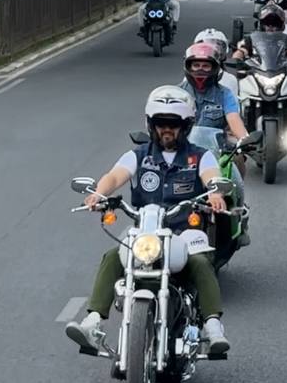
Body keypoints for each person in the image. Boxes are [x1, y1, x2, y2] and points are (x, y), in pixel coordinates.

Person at [65, 87, 230, 356]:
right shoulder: (138, 156)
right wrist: (98, 194)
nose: (167, 129)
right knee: (112, 257)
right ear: (151, 125)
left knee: (200, 263)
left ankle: (213, 328)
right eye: (160, 123)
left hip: (184, 233)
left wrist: (215, 193)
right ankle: (93, 322)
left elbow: (211, 176)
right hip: (146, 233)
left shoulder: (200, 156)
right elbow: (114, 176)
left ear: (186, 126)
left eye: (173, 124)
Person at [182, 42, 248, 140]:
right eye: (196, 65)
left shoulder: (225, 94)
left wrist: (245, 140)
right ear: (189, 67)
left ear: (214, 68)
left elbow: (234, 119)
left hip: (214, 148)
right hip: (183, 147)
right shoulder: (177, 93)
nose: (200, 70)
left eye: (205, 66)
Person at [195, 28, 239, 96]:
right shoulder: (190, 77)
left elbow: (233, 102)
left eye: (217, 49)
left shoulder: (230, 79)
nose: (211, 54)